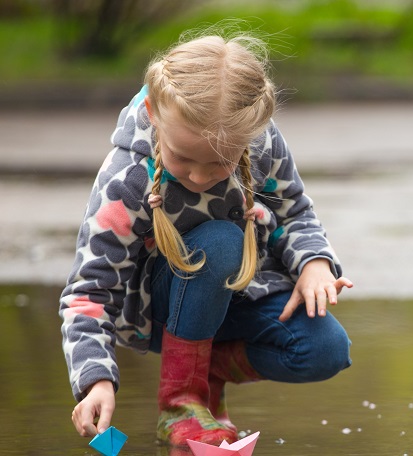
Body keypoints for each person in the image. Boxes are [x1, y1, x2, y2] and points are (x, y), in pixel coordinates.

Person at [59, 30, 353, 448]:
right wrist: (96, 381)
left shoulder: (262, 141)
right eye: (182, 158)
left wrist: (314, 265)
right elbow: (88, 292)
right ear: (153, 113)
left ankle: (202, 369)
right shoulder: (127, 180)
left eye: (219, 163)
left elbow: (295, 211)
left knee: (326, 349)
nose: (198, 177)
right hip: (162, 313)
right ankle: (180, 403)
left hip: (239, 297)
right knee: (219, 241)